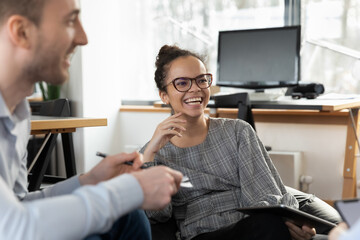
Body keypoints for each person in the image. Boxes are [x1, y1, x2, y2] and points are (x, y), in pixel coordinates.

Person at [0, 1, 183, 239]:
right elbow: (12, 229)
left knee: (128, 216)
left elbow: (18, 204)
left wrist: (90, 180)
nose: (83, 38)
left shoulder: (18, 112)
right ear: (22, 32)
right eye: (69, 21)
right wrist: (129, 191)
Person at [141, 45, 317, 240]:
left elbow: (265, 193)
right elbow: (158, 216)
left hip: (250, 228)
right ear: (164, 95)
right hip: (201, 234)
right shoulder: (154, 153)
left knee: (269, 223)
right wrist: (149, 156)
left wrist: (290, 223)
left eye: (201, 80)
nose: (195, 89)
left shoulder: (237, 131)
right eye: (182, 83)